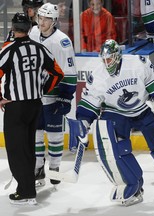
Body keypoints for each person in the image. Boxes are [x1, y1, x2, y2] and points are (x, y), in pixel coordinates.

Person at [68, 39, 154, 206]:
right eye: (104, 59)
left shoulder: (138, 63)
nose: (107, 63)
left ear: (118, 56)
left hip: (144, 108)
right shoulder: (97, 75)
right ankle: (130, 185)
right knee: (111, 146)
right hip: (116, 112)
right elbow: (89, 102)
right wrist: (83, 121)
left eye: (110, 59)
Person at [0, 13, 64, 205]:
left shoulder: (9, 50)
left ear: (13, 28)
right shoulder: (39, 48)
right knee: (28, 147)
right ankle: (28, 188)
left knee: (16, 150)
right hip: (35, 105)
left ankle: (26, 192)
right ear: (29, 28)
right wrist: (42, 89)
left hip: (16, 107)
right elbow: (57, 73)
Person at [29, 2, 77, 187]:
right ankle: (38, 167)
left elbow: (70, 71)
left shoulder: (62, 41)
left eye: (46, 19)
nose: (41, 22)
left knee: (55, 134)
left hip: (53, 95)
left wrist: (65, 97)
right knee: (36, 133)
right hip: (34, 95)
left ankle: (55, 167)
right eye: (40, 18)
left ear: (54, 21)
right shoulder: (33, 33)